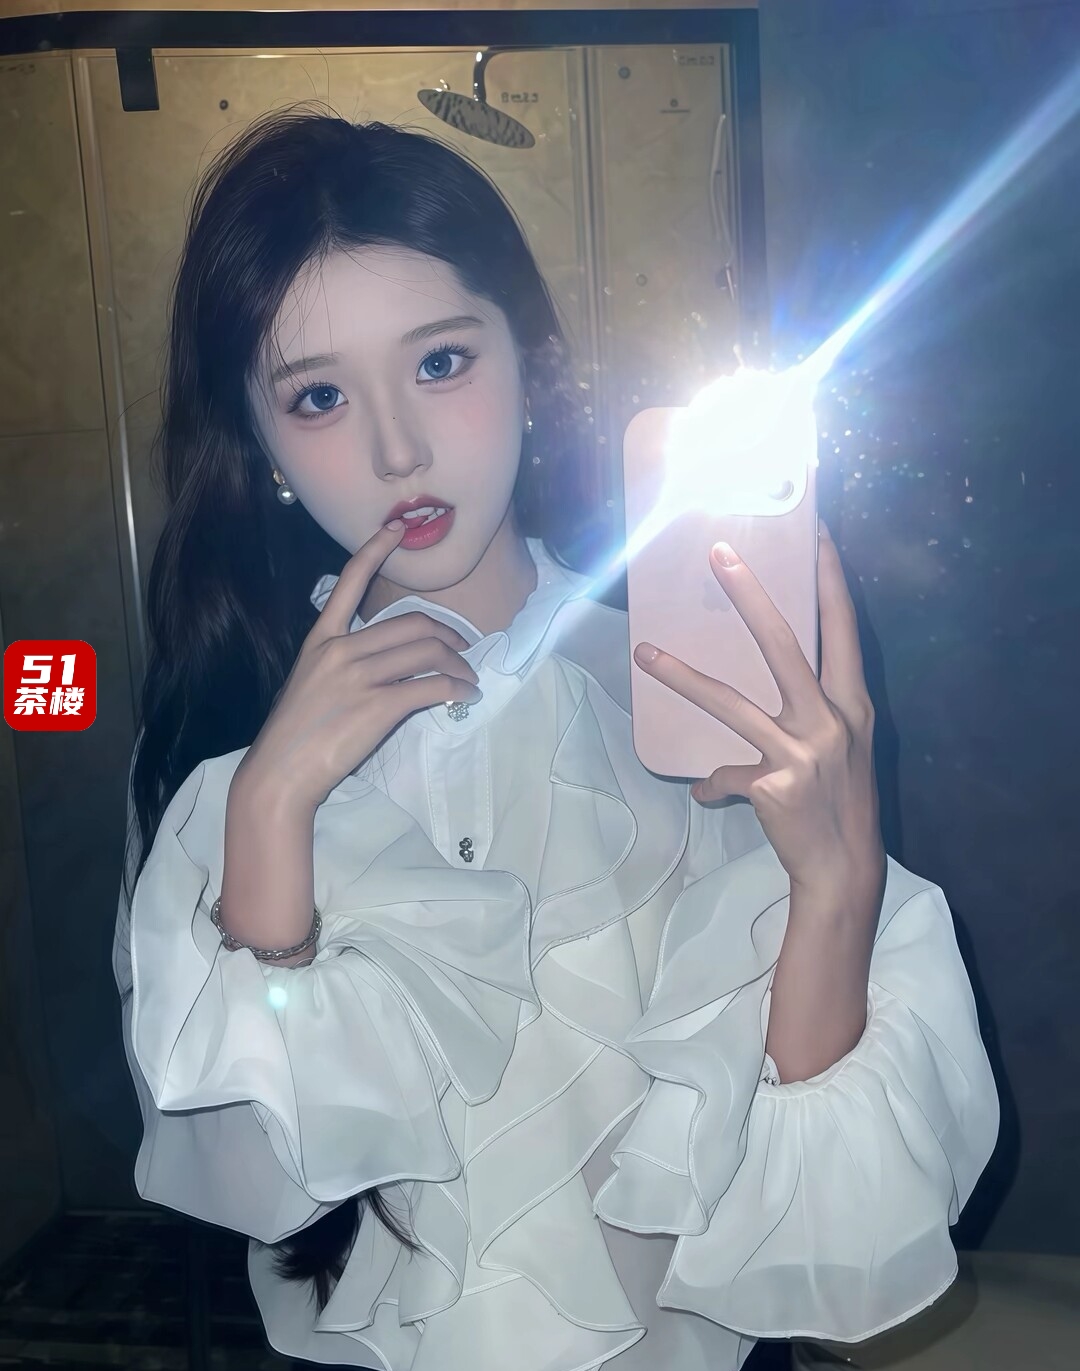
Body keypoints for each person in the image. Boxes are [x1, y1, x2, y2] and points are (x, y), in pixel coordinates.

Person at [113, 109, 999, 1371]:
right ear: (258, 448)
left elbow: (813, 1235)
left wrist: (840, 886)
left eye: (441, 362)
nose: (398, 450)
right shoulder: (222, 751)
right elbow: (260, 1187)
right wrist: (270, 819)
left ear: (530, 362)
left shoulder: (686, 694)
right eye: (318, 396)